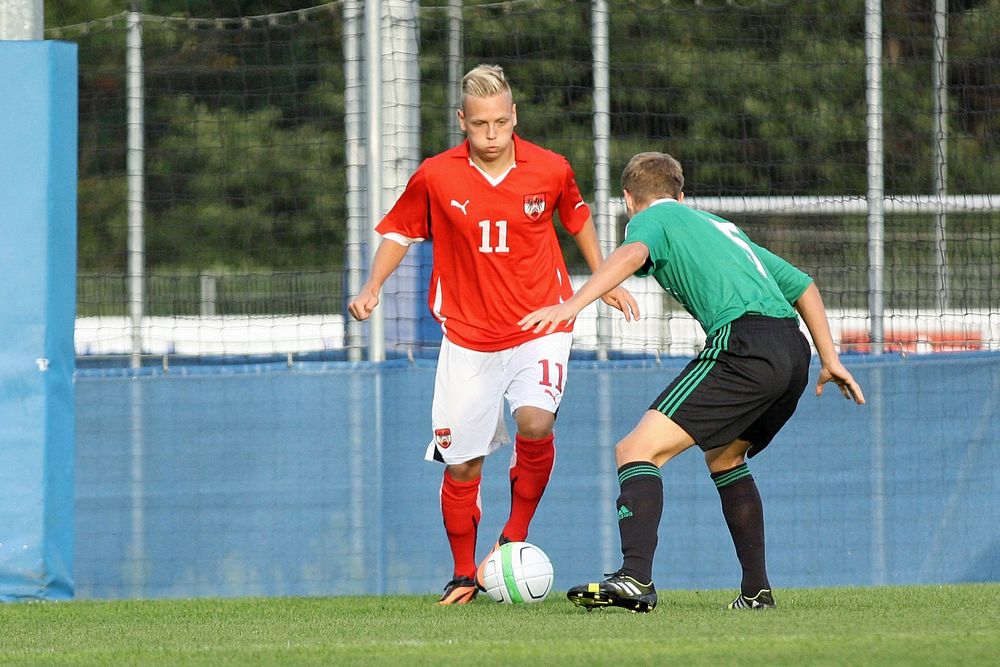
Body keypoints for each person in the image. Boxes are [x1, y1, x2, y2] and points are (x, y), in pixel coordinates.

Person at [519, 151, 865, 613]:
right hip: (794, 351)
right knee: (725, 456)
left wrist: (573, 305)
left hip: (744, 343)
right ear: (682, 194)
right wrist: (830, 358)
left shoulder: (652, 218)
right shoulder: (723, 229)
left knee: (635, 450)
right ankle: (756, 592)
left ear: (628, 200)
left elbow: (634, 252)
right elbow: (802, 284)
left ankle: (635, 578)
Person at [348, 64, 638, 605]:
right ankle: (463, 574)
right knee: (463, 464)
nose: (490, 135)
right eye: (480, 124)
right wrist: (372, 287)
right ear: (463, 120)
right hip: (467, 336)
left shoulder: (550, 169)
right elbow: (398, 232)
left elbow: (576, 219)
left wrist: (603, 281)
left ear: (514, 119)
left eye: (501, 123)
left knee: (535, 420)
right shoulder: (437, 175)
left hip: (540, 324)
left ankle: (513, 537)